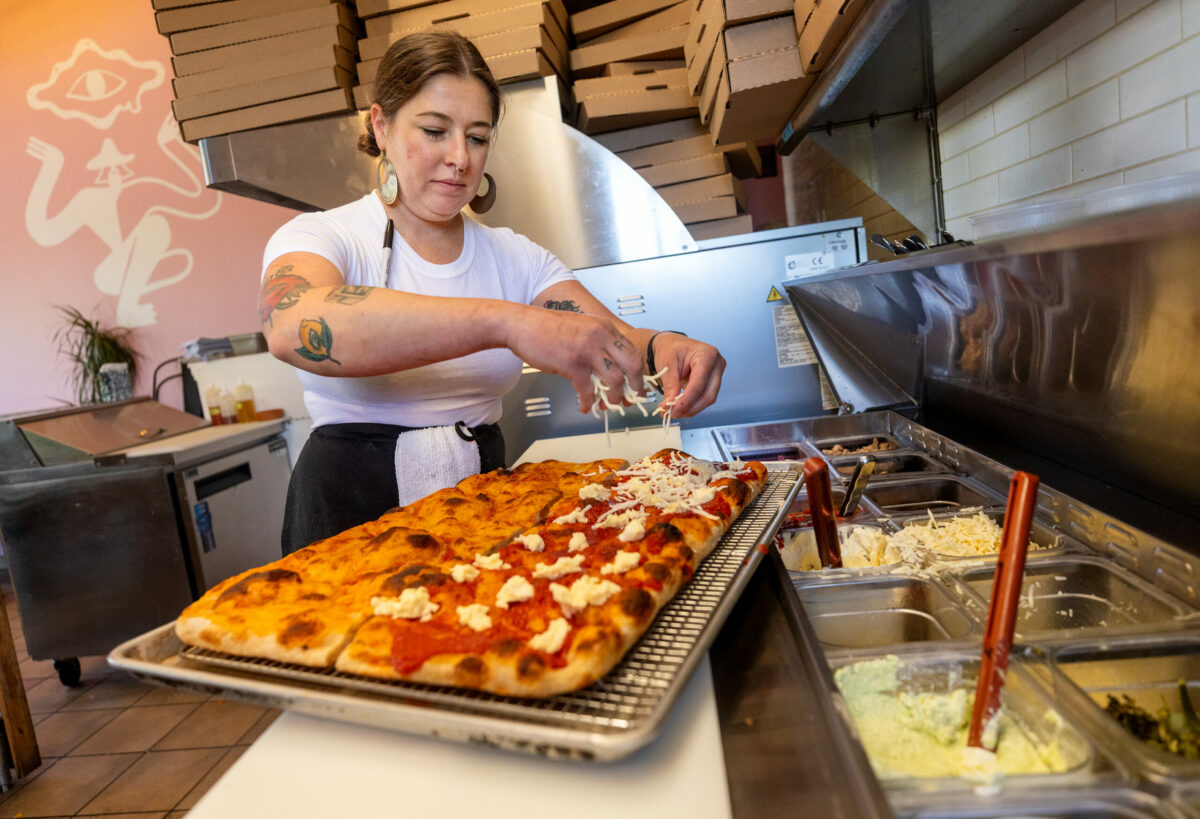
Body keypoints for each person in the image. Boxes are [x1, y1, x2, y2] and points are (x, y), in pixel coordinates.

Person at [259, 31, 726, 555]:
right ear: (381, 124)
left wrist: (664, 345)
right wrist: (505, 322)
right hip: (346, 518)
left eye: (477, 137)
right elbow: (291, 323)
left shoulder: (513, 256)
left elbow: (606, 336)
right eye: (435, 131)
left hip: (482, 509)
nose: (460, 157)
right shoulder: (324, 237)